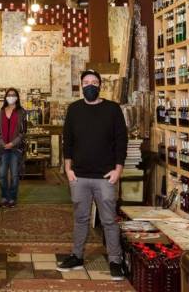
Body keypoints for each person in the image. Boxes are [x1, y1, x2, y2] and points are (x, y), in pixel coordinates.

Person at [57, 69, 128, 281]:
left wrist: (118, 170)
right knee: (80, 218)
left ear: (100, 85)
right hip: (79, 176)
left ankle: (115, 260)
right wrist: (68, 169)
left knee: (108, 219)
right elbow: (67, 141)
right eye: (86, 82)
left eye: (94, 82)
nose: (90, 85)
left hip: (106, 177)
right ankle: (77, 256)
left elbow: (120, 141)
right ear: (81, 86)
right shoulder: (74, 109)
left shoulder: (113, 109)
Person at [0, 88, 27, 208]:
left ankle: (12, 198)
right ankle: (4, 197)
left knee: (14, 175)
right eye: (9, 95)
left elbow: (23, 132)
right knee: (2, 175)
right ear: (5, 97)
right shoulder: (1, 112)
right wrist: (3, 143)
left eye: (13, 95)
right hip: (2, 149)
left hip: (15, 149)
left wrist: (12, 144)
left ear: (17, 97)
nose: (11, 97)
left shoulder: (22, 112)